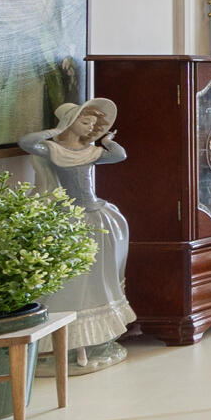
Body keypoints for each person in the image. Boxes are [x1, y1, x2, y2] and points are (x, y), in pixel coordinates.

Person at [19, 99, 133, 373]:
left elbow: (120, 155)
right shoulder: (54, 150)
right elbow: (27, 142)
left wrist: (106, 139)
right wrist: (54, 131)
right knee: (72, 280)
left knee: (99, 276)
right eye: (85, 122)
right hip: (72, 218)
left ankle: (93, 340)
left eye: (93, 124)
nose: (90, 128)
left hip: (97, 214)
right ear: (70, 122)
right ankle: (68, 341)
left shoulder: (90, 151)